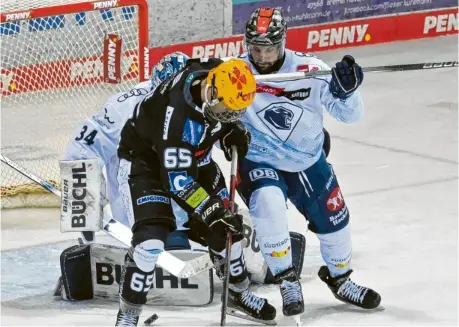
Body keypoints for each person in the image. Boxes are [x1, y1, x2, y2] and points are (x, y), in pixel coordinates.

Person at [233, 7, 382, 317]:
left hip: (307, 159)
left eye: (269, 48)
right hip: (259, 160)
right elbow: (207, 103)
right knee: (268, 203)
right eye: (255, 48)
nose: (261, 56)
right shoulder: (234, 72)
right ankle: (287, 280)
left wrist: (348, 92)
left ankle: (340, 279)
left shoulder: (310, 69)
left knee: (335, 219)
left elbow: (350, 116)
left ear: (283, 43)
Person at [114, 58, 276, 326]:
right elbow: (177, 181)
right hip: (147, 165)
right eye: (227, 110)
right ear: (211, 93)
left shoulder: (214, 75)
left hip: (195, 160)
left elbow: (221, 120)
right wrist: (210, 210)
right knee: (150, 243)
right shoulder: (176, 117)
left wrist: (231, 130)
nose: (229, 114)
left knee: (228, 232)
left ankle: (238, 292)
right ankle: (129, 315)